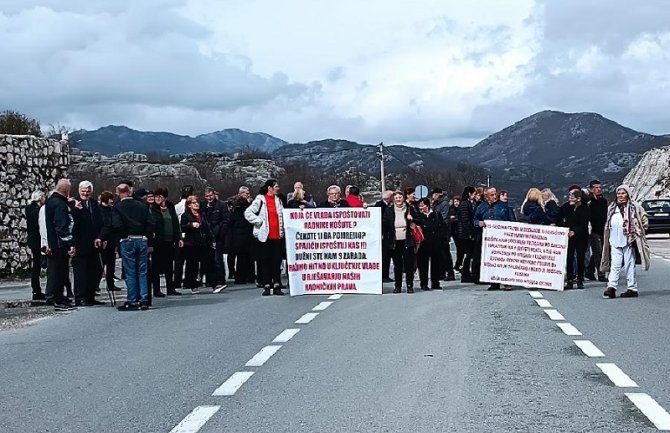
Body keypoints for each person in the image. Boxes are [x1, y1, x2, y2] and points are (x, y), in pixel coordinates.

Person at [110, 183, 155, 311]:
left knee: (130, 272)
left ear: (119, 193)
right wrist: (146, 235)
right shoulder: (142, 205)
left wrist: (124, 235)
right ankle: (144, 299)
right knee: (142, 271)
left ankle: (132, 300)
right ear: (130, 192)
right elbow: (151, 222)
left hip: (127, 240)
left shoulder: (117, 207)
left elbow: (116, 224)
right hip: (142, 239)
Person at [601, 185, 650, 299]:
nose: (621, 196)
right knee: (615, 265)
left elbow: (644, 219)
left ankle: (632, 288)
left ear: (628, 194)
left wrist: (639, 231)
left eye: (623, 193)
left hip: (629, 241)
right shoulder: (612, 207)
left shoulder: (634, 207)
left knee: (629, 264)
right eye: (619, 193)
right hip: (614, 240)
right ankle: (611, 287)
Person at [244, 179, 286, 296]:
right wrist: (258, 221)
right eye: (276, 186)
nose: (278, 188)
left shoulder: (279, 200)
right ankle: (267, 285)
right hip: (265, 236)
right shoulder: (260, 200)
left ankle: (277, 284)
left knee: (276, 261)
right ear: (270, 188)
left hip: (277, 235)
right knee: (265, 261)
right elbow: (248, 212)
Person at [474, 186, 515, 290]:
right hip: (488, 238)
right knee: (491, 259)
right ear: (486, 197)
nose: (494, 197)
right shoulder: (481, 207)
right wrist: (479, 223)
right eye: (492, 195)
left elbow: (511, 220)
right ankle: (494, 282)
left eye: (495, 194)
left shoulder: (503, 206)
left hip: (503, 237)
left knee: (504, 259)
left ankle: (507, 281)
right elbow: (475, 219)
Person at [44, 179, 77, 311]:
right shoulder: (59, 205)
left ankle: (61, 297)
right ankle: (59, 299)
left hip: (54, 242)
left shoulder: (52, 201)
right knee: (60, 272)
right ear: (66, 190)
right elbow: (61, 225)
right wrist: (70, 243)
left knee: (60, 272)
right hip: (59, 243)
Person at [71, 181, 105, 306]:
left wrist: (100, 237)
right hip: (79, 243)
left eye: (87, 190)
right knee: (80, 273)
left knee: (93, 271)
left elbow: (101, 221)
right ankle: (80, 297)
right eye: (83, 191)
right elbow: (71, 223)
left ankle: (90, 296)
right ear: (79, 191)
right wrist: (75, 210)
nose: (85, 193)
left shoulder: (95, 204)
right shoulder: (74, 203)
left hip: (94, 243)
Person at [181, 195, 220, 294]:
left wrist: (212, 240)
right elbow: (183, 227)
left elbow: (207, 228)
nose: (196, 204)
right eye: (194, 203)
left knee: (208, 263)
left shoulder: (202, 214)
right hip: (191, 243)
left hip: (203, 242)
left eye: (197, 202)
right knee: (192, 266)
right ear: (189, 205)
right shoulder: (185, 215)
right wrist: (191, 225)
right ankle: (193, 285)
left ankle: (214, 284)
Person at [382, 190, 418, 294]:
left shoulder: (410, 209)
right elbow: (384, 224)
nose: (398, 200)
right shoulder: (389, 210)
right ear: (393, 199)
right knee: (397, 265)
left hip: (407, 240)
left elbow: (418, 220)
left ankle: (409, 285)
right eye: (396, 198)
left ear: (403, 198)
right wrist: (383, 234)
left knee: (409, 264)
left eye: (400, 197)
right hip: (394, 241)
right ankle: (397, 286)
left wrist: (412, 219)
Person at [150, 188, 181, 296]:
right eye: (156, 196)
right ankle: (157, 290)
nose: (157, 199)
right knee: (156, 266)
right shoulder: (152, 209)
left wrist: (178, 238)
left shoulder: (170, 208)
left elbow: (176, 224)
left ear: (165, 198)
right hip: (158, 241)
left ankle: (170, 288)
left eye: (160, 196)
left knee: (169, 265)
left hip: (170, 240)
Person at [557, 189, 590, 290]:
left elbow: (584, 223)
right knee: (569, 258)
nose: (570, 199)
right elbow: (559, 218)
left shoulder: (585, 208)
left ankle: (580, 280)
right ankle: (570, 281)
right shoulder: (566, 207)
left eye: (572, 197)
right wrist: (564, 229)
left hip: (581, 236)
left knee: (580, 257)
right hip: (568, 236)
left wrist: (575, 231)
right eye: (569, 197)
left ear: (578, 199)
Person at [415, 197, 449, 290]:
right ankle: (424, 284)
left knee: (436, 264)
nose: (421, 208)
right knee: (422, 265)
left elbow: (443, 228)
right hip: (423, 244)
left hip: (436, 243)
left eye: (422, 206)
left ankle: (435, 283)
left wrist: (443, 239)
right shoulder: (418, 216)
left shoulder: (436, 215)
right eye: (419, 206)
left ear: (428, 205)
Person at [201, 187, 229, 291]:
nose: (209, 198)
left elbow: (226, 220)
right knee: (208, 259)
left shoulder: (221, 205)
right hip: (206, 237)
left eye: (210, 195)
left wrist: (220, 233)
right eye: (207, 196)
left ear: (214, 194)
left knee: (218, 259)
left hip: (218, 236)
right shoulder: (202, 205)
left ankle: (221, 280)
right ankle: (210, 280)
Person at [226, 196, 255, 284]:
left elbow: (229, 226)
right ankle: (251, 276)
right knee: (250, 258)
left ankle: (240, 277)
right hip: (248, 236)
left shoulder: (234, 214)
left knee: (240, 259)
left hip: (237, 237)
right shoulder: (249, 213)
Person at [25, 190, 46, 300]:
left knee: (37, 266)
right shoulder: (34, 210)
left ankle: (36, 290)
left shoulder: (30, 209)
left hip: (35, 240)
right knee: (37, 266)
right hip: (36, 241)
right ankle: (36, 290)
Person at [431, 188, 455, 281]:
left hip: (443, 231)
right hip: (438, 231)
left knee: (445, 252)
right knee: (439, 252)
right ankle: (442, 272)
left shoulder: (444, 203)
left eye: (433, 194)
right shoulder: (436, 203)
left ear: (437, 194)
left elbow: (444, 217)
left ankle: (450, 272)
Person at [586, 180, 608, 282]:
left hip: (603, 228)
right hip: (593, 229)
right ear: (591, 189)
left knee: (601, 251)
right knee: (598, 251)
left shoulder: (603, 201)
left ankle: (589, 270)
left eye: (600, 187)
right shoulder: (589, 202)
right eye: (596, 187)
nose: (598, 189)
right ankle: (601, 274)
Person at [98, 191, 120, 292]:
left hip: (112, 240)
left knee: (111, 264)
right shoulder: (100, 210)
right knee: (101, 264)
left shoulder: (112, 210)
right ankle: (96, 284)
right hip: (103, 240)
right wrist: (102, 238)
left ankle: (110, 284)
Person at [173, 185, 194, 288]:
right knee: (190, 259)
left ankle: (177, 281)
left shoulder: (177, 206)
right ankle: (188, 281)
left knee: (179, 261)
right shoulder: (192, 206)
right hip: (190, 234)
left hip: (180, 234)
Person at [456, 186, 477, 283]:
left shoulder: (465, 203)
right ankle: (465, 274)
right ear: (469, 193)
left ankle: (466, 273)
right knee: (468, 254)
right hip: (465, 234)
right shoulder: (465, 204)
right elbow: (465, 220)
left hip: (464, 232)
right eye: (473, 194)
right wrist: (470, 232)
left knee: (468, 254)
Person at [375, 190, 394, 282]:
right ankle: (383, 275)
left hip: (390, 233)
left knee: (388, 256)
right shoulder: (379, 205)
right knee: (384, 256)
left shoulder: (391, 205)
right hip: (383, 233)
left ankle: (386, 275)